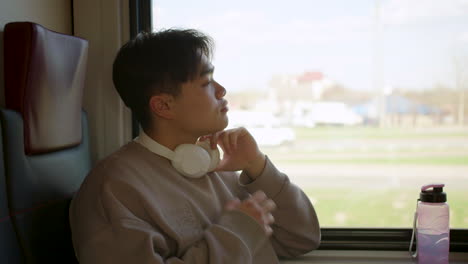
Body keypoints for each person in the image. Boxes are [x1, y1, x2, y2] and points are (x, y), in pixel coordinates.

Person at [69, 29, 320, 264]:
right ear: (164, 106)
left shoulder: (216, 170)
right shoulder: (113, 188)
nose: (222, 90)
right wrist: (239, 232)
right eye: (206, 82)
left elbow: (301, 238)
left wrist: (258, 165)